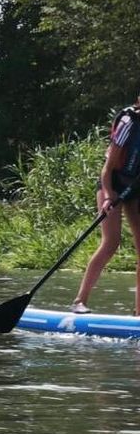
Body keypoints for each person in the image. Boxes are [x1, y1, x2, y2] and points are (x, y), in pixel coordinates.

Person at [72, 94, 140, 315]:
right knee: (112, 241)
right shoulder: (129, 123)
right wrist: (109, 196)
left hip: (135, 188)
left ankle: (138, 312)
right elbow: (108, 168)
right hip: (112, 182)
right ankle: (79, 300)